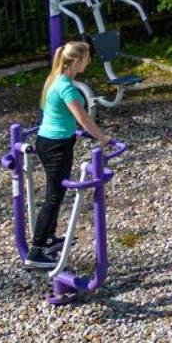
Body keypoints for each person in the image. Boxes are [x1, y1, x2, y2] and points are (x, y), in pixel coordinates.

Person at [27, 39, 111, 269]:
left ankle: (49, 238)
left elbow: (55, 114)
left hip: (50, 141)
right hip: (56, 146)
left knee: (56, 193)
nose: (89, 62)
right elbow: (82, 117)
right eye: (86, 58)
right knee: (53, 197)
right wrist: (103, 138)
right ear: (75, 60)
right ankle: (36, 251)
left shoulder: (55, 78)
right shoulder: (65, 85)